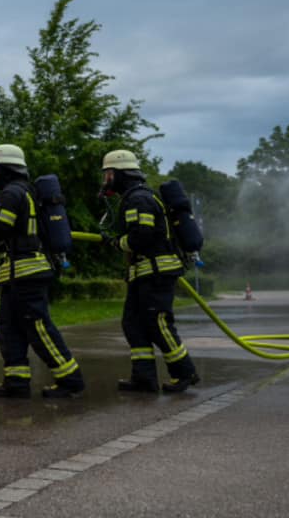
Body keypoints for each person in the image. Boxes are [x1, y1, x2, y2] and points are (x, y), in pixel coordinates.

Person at [0, 144, 85, 398]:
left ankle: (70, 378)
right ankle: (16, 382)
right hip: (16, 274)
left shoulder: (11, 194)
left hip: (26, 273)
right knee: (10, 329)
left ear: (3, 169)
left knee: (38, 327)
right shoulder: (24, 192)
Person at [100, 149, 200, 394]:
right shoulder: (134, 197)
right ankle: (144, 378)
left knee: (157, 322)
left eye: (108, 174)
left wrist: (116, 243)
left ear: (120, 174)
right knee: (133, 323)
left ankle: (185, 373)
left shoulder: (139, 199)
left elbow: (141, 236)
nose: (106, 180)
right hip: (144, 273)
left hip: (156, 273)